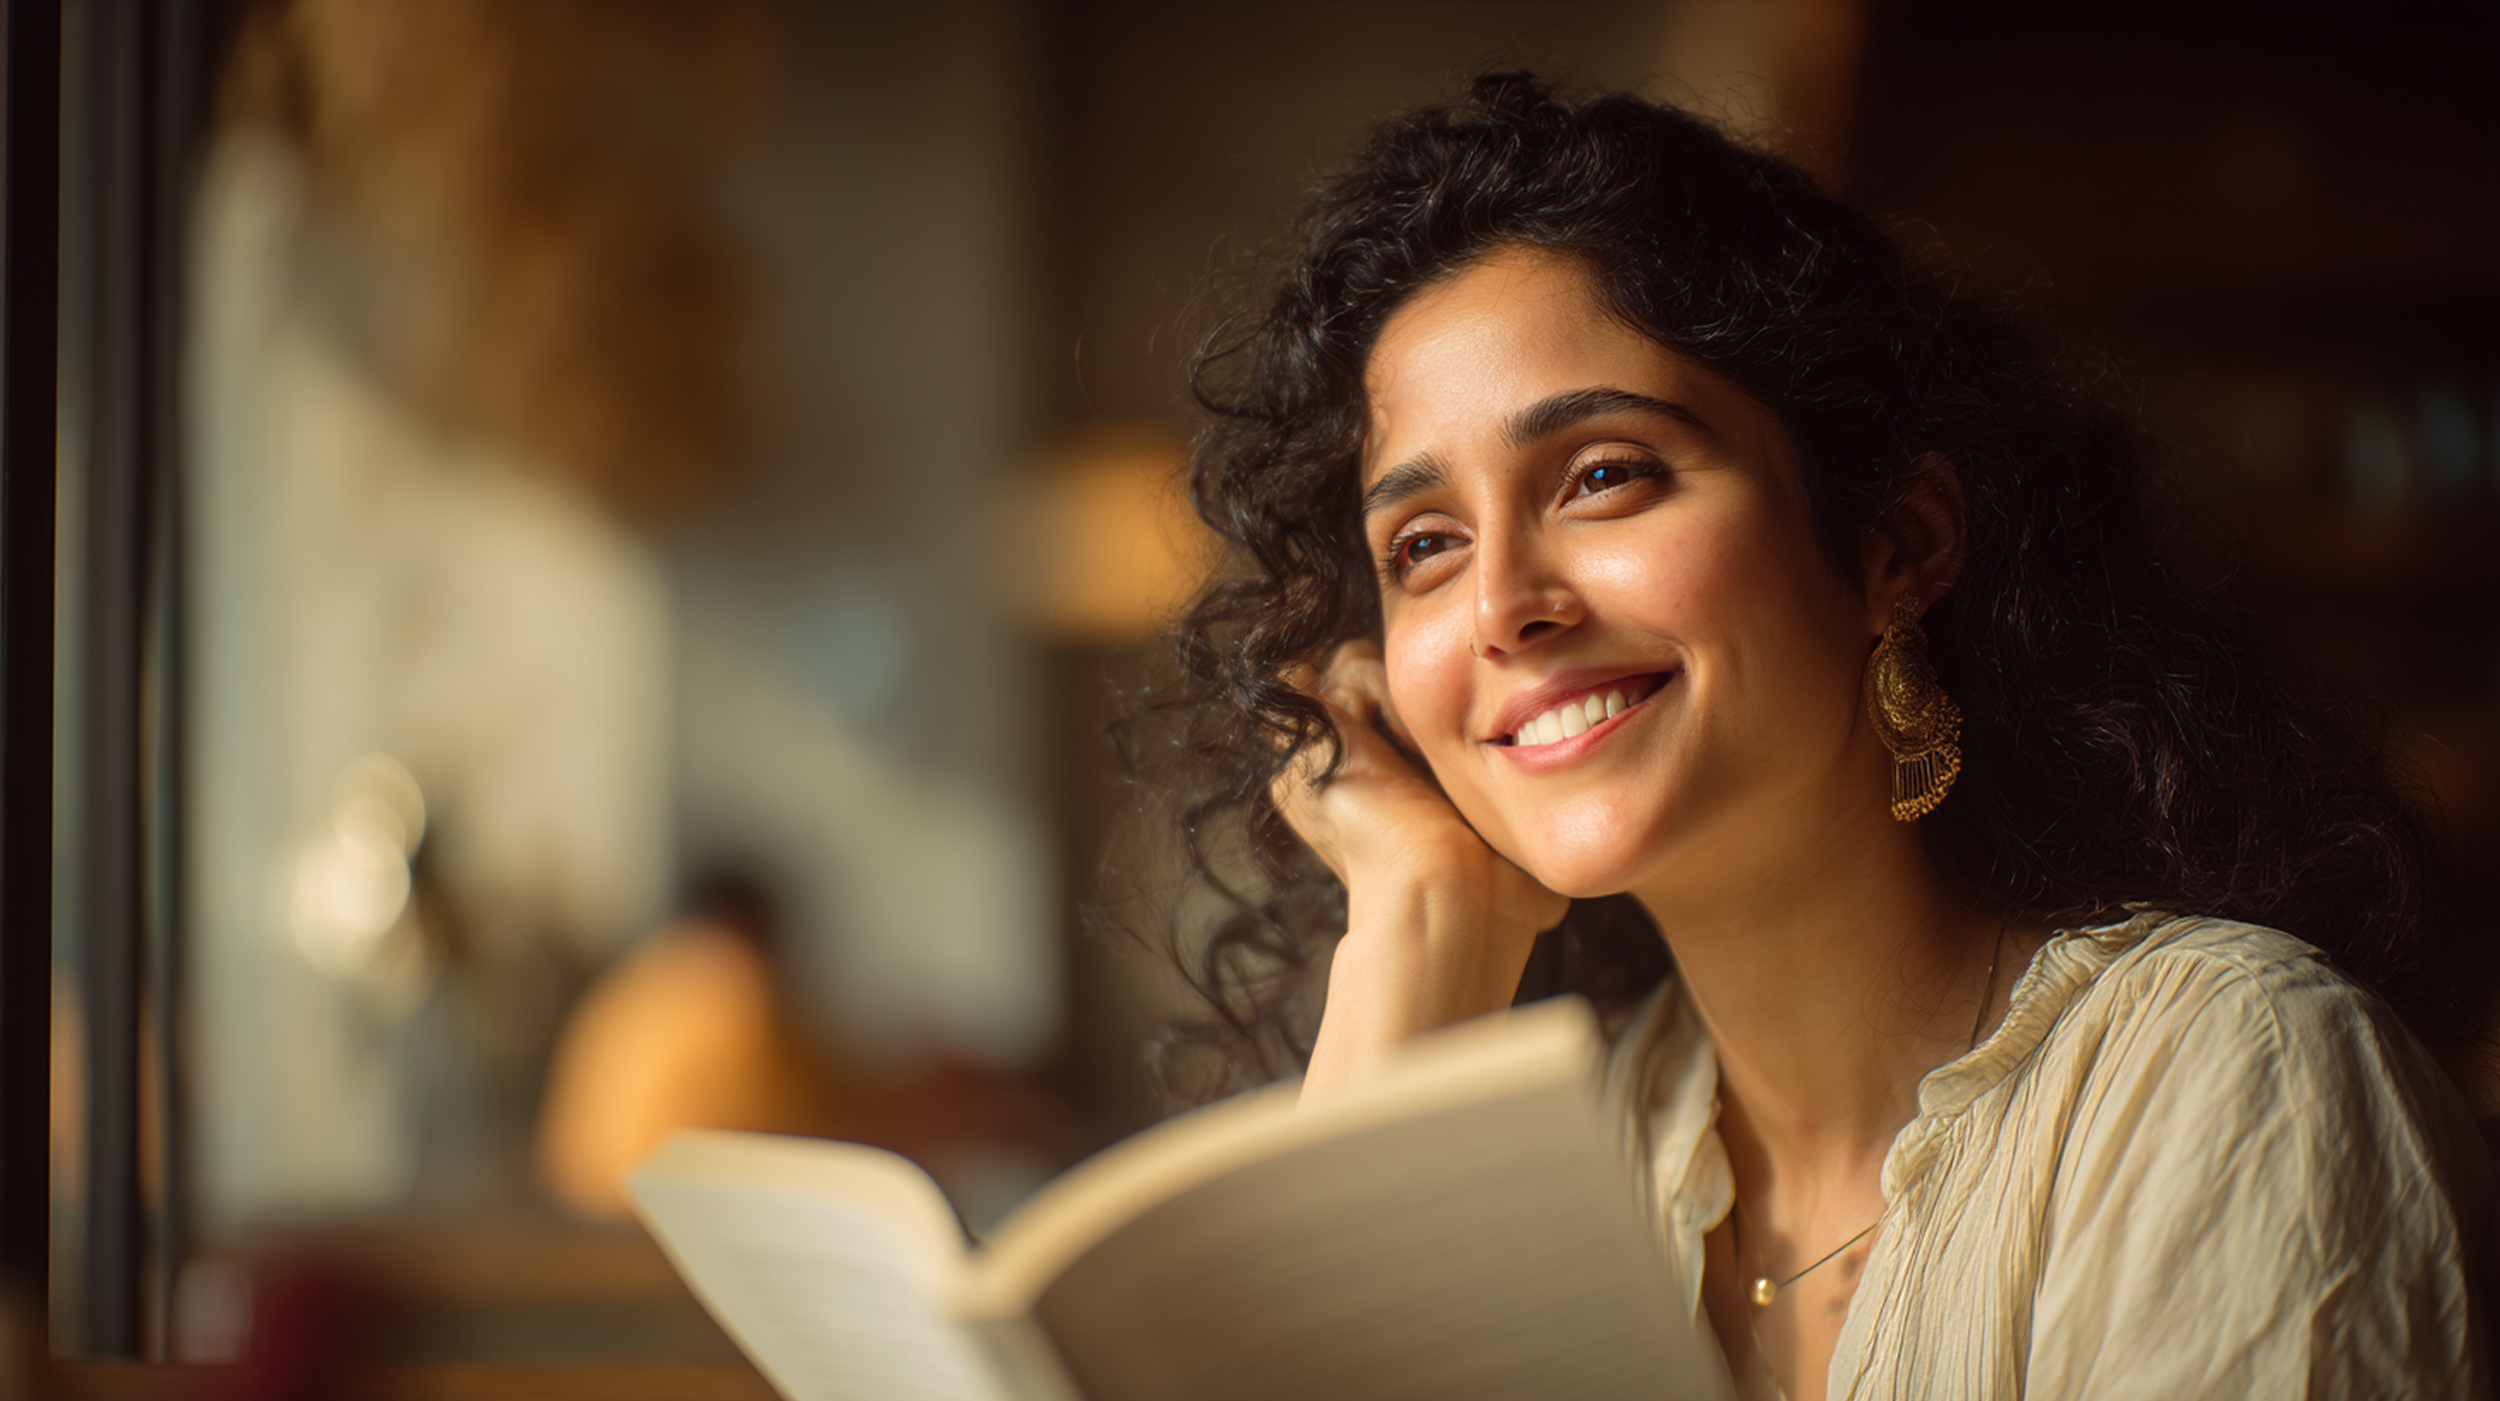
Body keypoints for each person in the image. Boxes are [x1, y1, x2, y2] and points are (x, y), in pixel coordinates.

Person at [1141, 73, 2495, 1399]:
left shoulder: (2223, 1080)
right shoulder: (1591, 1151)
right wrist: (1417, 930)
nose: (1502, 606)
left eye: (1604, 476)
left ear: (1896, 543)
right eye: (1423, 545)